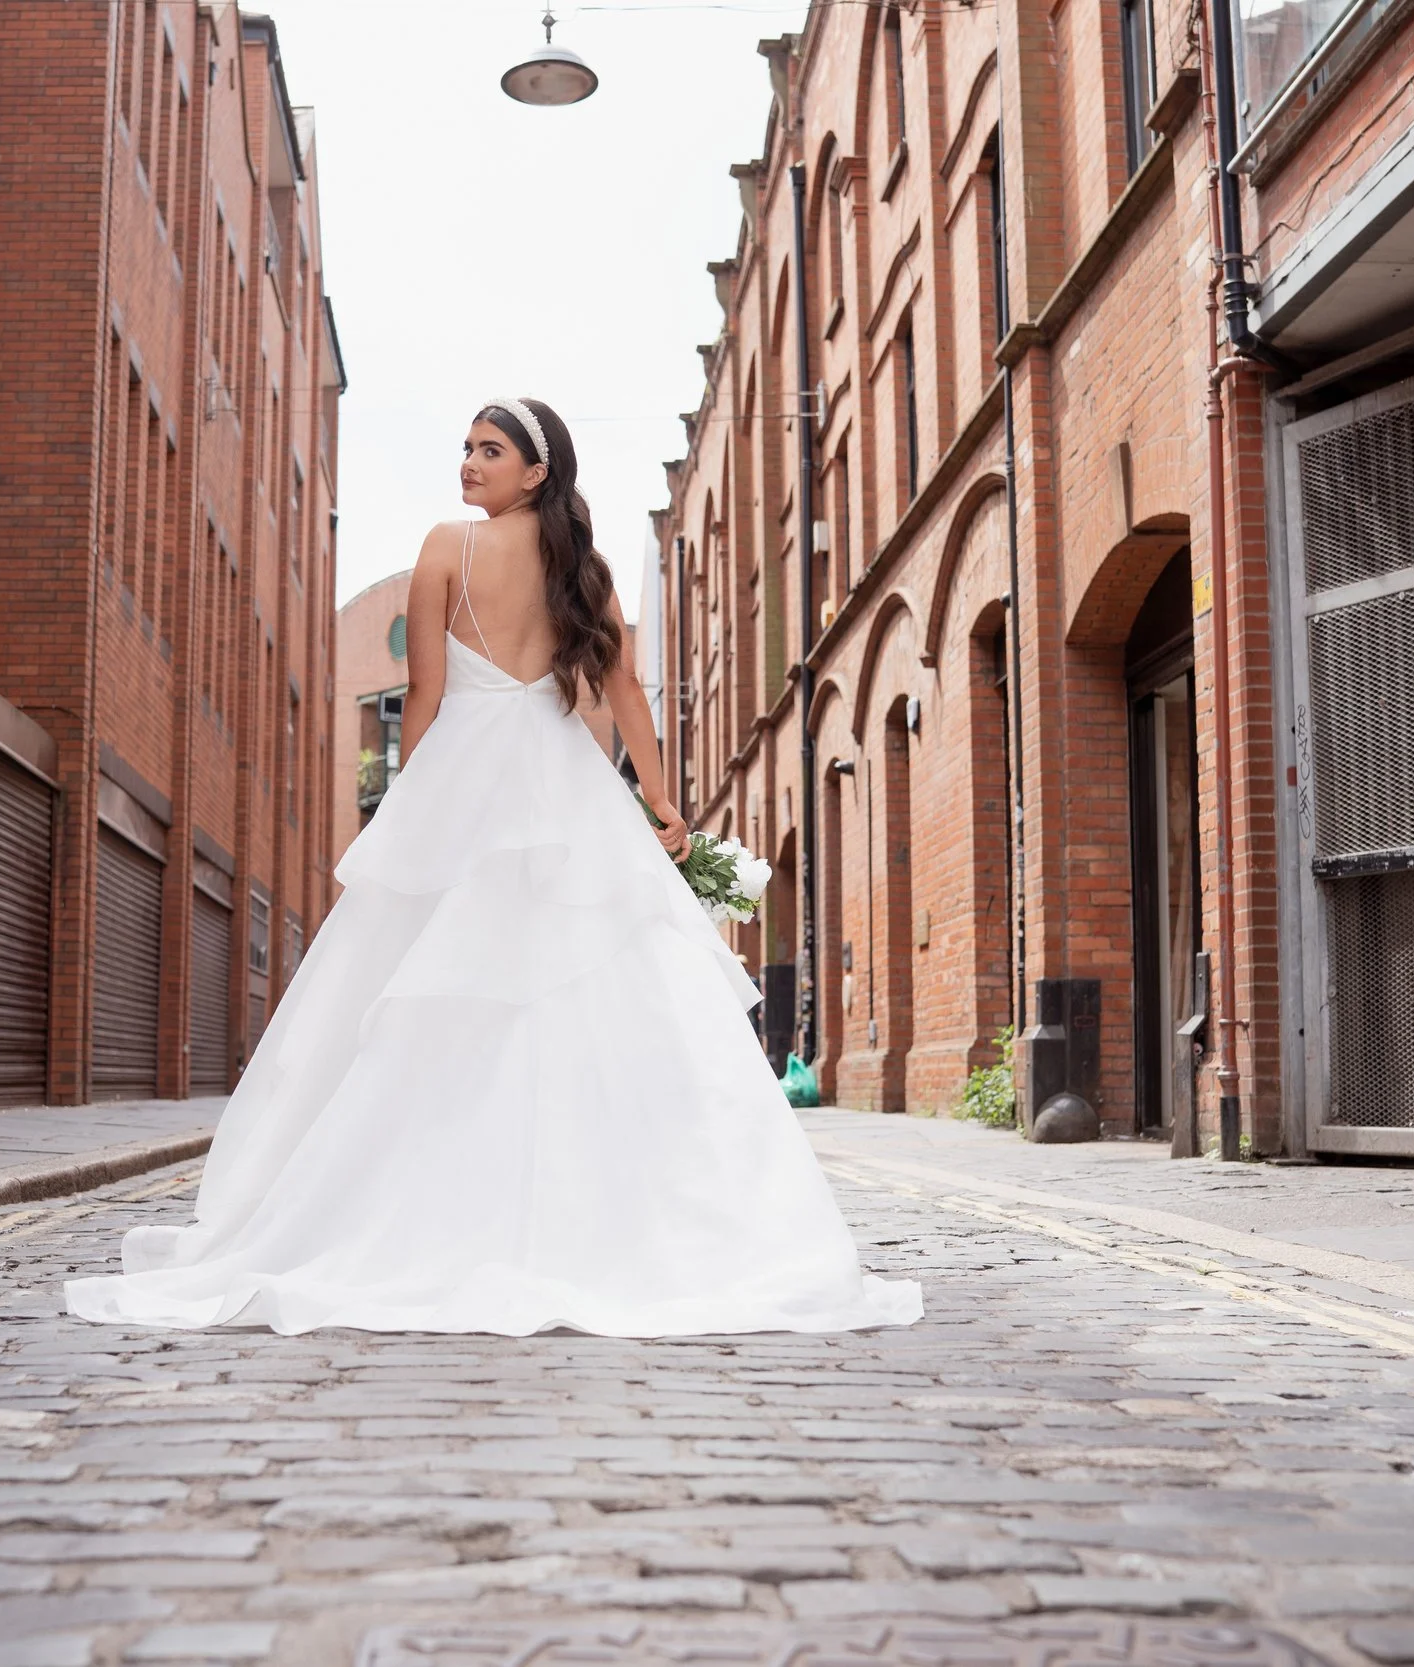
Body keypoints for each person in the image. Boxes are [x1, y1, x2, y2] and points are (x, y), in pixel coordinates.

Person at [64, 398, 922, 1337]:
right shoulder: (578, 572)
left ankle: (426, 1209)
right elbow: (623, 690)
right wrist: (661, 801)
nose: (470, 462)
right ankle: (621, 1220)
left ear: (536, 471)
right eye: (467, 447)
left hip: (467, 781)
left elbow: (426, 698)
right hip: (566, 790)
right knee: (593, 986)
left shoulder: (446, 549)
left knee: (426, 992)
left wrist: (414, 816)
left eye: (491, 449)